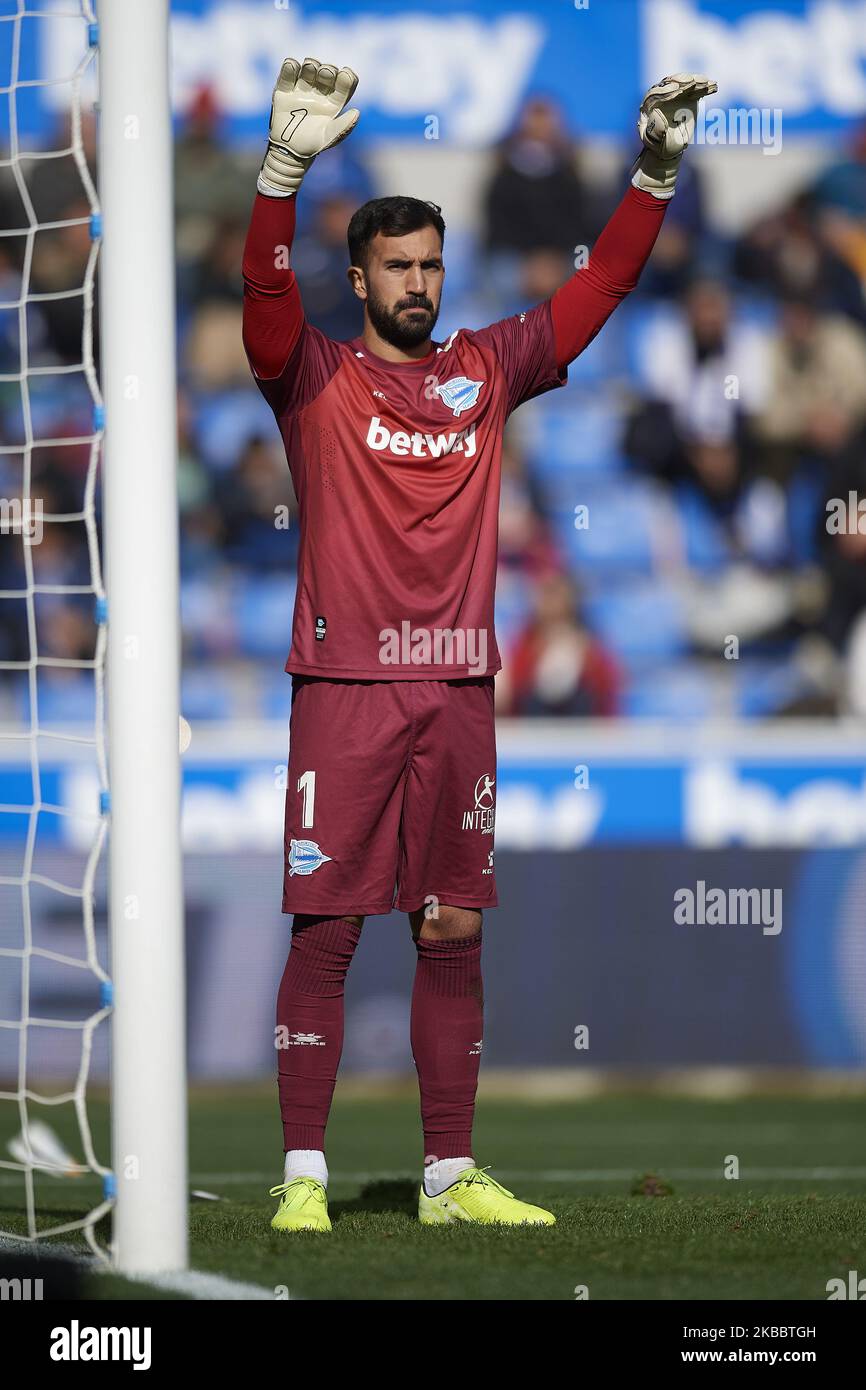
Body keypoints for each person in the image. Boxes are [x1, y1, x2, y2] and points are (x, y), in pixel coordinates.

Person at [242, 59, 715, 1232]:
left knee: (451, 926)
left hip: (455, 688)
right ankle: (302, 1177)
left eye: (429, 266)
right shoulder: (314, 377)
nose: (416, 283)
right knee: (329, 926)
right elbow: (258, 300)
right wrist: (281, 174)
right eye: (395, 266)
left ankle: (449, 1179)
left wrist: (649, 175)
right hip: (344, 690)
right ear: (355, 278)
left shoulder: (484, 371)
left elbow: (598, 287)